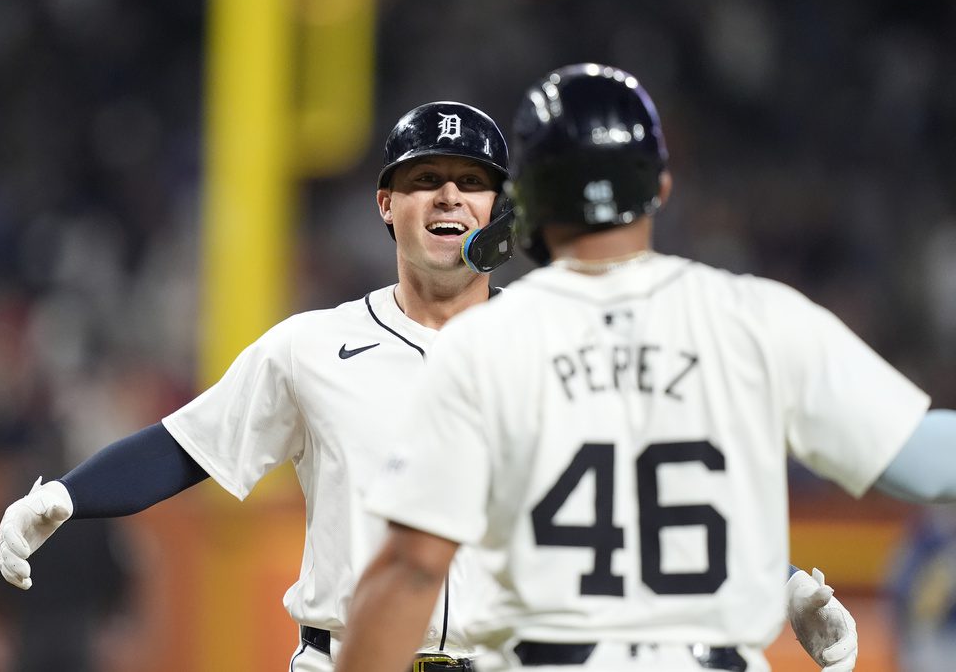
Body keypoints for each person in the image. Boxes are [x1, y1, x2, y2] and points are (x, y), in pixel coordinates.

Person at [0, 98, 858, 671]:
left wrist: (781, 584)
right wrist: (67, 497)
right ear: (386, 204)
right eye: (423, 180)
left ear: (497, 210)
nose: (448, 194)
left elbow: (662, 485)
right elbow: (184, 448)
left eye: (472, 182)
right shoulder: (312, 346)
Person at [333, 64, 956, 672]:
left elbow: (411, 568)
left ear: (521, 199)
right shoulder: (754, 317)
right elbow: (930, 469)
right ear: (660, 187)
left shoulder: (482, 344)